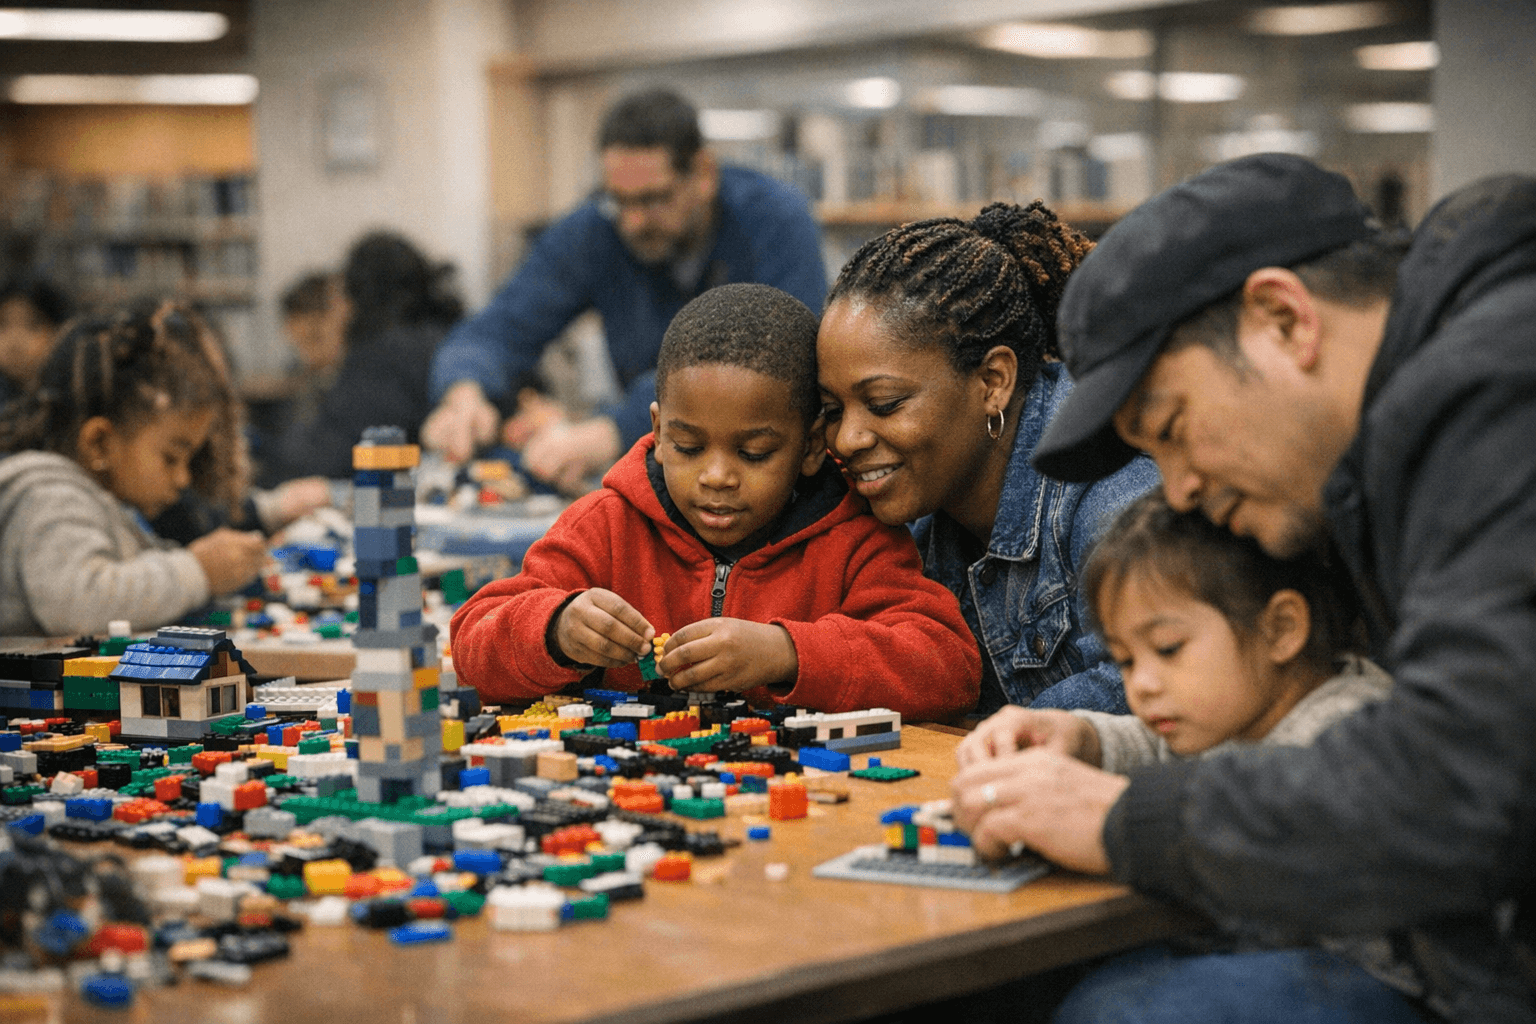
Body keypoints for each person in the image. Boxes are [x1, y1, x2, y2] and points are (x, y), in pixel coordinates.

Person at [951, 154, 1536, 1022]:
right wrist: (1101, 747)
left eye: (1175, 429)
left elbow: (1463, 782)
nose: (1179, 489)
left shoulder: (1491, 393)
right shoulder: (1409, 428)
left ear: (1283, 318)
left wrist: (1126, 820)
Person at [450, 283, 980, 720]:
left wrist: (786, 654)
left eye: (754, 453)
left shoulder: (853, 538)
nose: (717, 477)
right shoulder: (606, 526)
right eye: (688, 447)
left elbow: (946, 666)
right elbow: (473, 643)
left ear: (813, 445)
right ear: (656, 432)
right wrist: (555, 627)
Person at [816, 201, 1159, 717]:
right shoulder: (910, 511)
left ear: (992, 382)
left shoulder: (1114, 492)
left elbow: (1147, 688)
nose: (847, 439)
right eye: (831, 410)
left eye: (884, 404)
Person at [423, 88, 828, 491]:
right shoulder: (597, 229)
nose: (632, 222)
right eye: (619, 200)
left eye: (652, 199)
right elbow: (498, 329)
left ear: (703, 174)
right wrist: (464, 392)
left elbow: (778, 358)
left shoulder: (775, 220)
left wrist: (616, 429)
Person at [0, 301, 266, 636]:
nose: (183, 479)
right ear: (98, 443)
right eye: (171, 457)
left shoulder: (95, 503)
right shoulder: (52, 497)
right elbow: (78, 605)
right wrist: (197, 571)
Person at [256, 232, 460, 487]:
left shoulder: (380, 360)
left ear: (357, 296)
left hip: (382, 500)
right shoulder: (448, 338)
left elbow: (331, 458)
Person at [0, 273, 73, 412]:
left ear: (61, 331)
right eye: (2, 325)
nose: (14, 342)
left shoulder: (74, 403)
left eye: (32, 325)